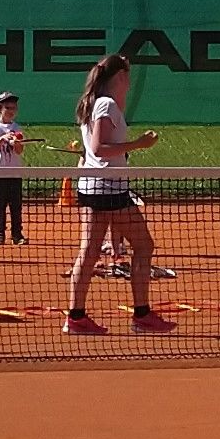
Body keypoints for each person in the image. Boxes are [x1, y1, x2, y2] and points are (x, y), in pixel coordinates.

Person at [64, 53, 174, 335]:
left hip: (95, 187)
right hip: (108, 190)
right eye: (128, 75)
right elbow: (99, 149)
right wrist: (139, 144)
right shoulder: (106, 104)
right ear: (121, 76)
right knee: (144, 245)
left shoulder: (95, 102)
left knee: (89, 252)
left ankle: (76, 317)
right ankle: (142, 315)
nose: (130, 82)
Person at [0, 92, 27, 245]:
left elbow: (19, 151)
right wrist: (3, 138)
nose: (11, 111)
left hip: (15, 173)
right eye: (8, 108)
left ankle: (17, 235)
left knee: (16, 206)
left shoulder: (17, 127)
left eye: (14, 108)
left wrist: (16, 142)